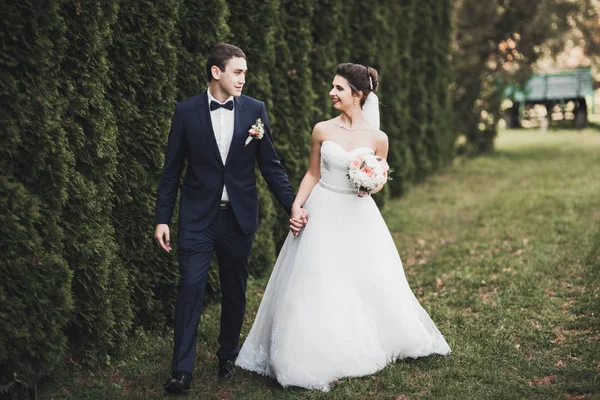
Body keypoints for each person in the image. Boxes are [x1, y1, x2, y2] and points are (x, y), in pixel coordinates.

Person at [235, 63, 451, 392]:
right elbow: (313, 173)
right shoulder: (322, 129)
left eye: (339, 88)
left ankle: (365, 337)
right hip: (322, 208)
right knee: (317, 278)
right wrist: (297, 204)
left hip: (357, 215)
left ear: (358, 95)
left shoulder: (379, 138)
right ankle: (306, 349)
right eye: (333, 87)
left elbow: (379, 178)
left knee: (365, 278)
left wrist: (371, 185)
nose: (331, 93)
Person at [154, 43, 307, 395]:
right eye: (237, 72)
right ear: (216, 72)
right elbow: (172, 169)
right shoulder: (186, 111)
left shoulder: (255, 110)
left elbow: (270, 166)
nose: (243, 78)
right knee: (190, 288)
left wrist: (293, 205)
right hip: (197, 218)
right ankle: (181, 370)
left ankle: (228, 354)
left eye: (244, 73)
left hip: (238, 217)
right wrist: (163, 217)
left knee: (235, 290)